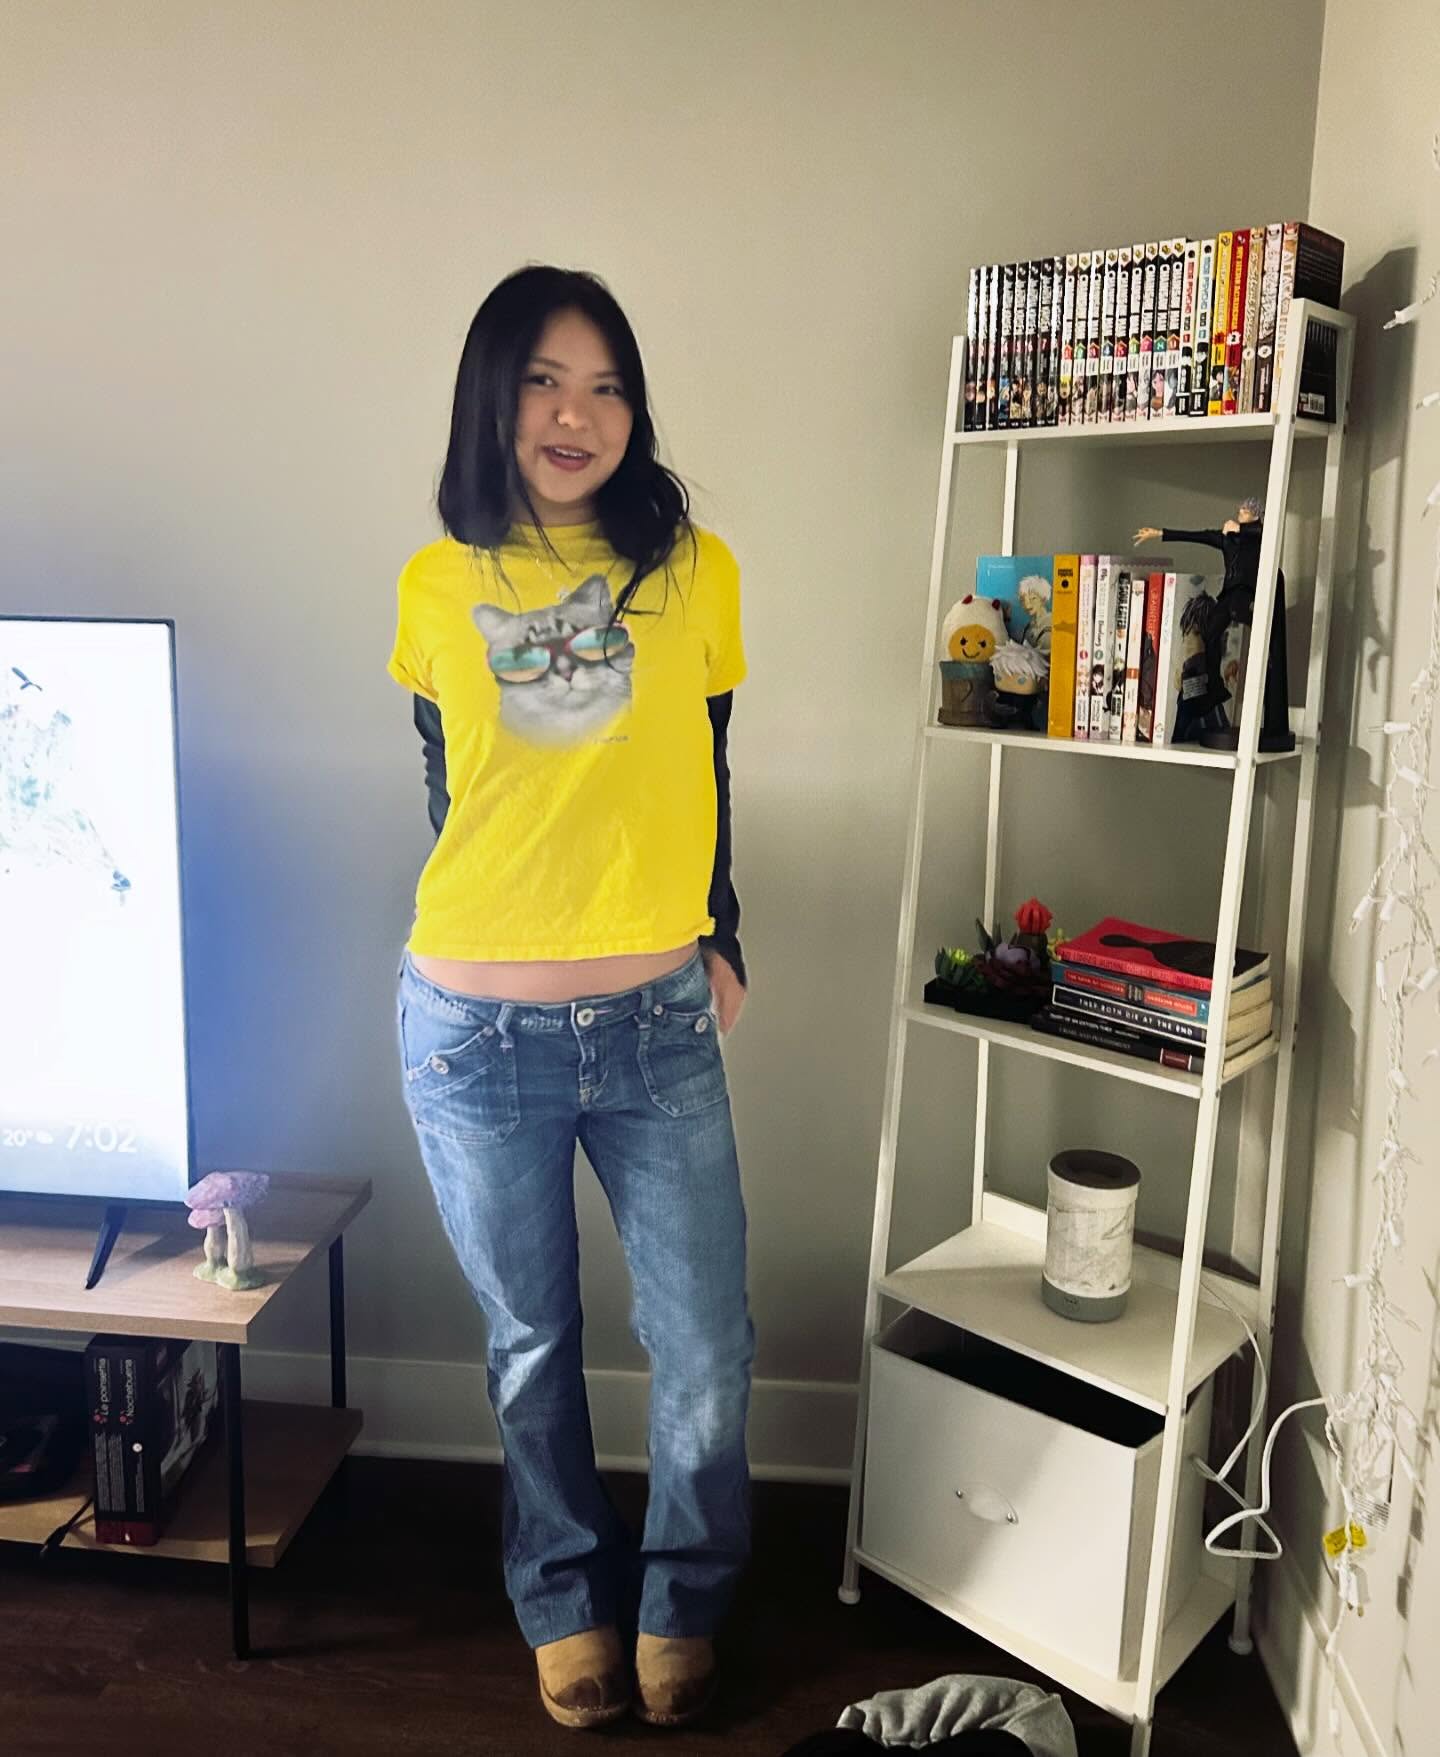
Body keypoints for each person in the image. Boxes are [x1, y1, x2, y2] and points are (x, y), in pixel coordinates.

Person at [387, 266, 753, 1732]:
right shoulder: (437, 581)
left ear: (634, 411)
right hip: (472, 1031)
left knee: (706, 1344)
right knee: (531, 1343)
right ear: (494, 395)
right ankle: (562, 1600)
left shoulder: (696, 571)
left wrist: (723, 933)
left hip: (657, 1019)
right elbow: (450, 785)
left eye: (606, 386)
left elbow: (707, 768)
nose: (575, 413)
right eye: (544, 378)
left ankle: (682, 1600)